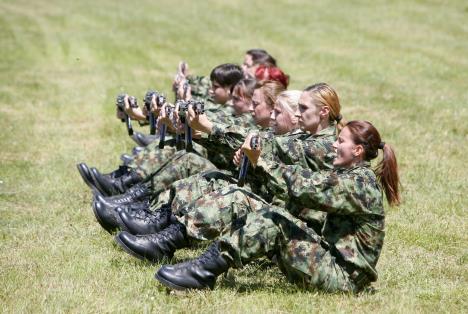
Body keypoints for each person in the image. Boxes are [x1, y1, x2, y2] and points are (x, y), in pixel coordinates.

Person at [154, 120, 400, 294]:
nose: (334, 145)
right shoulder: (351, 175)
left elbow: (305, 187)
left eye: (341, 141)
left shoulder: (360, 185)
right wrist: (255, 163)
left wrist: (259, 160)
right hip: (330, 258)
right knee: (255, 204)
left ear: (357, 150)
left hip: (343, 278)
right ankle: (197, 256)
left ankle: (203, 272)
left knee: (274, 220)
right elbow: (301, 177)